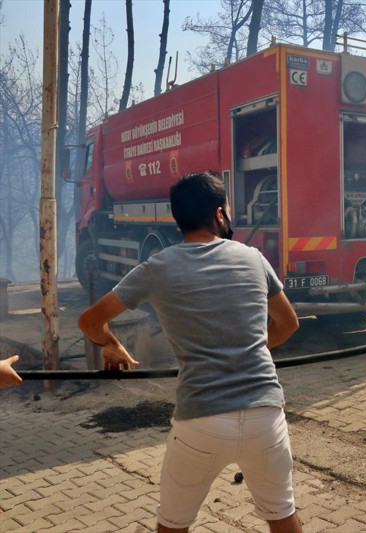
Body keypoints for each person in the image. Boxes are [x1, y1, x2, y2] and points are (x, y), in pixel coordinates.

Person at [78, 172, 303, 533]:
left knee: (173, 524)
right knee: (282, 516)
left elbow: (89, 321)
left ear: (177, 219)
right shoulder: (253, 258)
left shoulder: (156, 268)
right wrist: (248, 349)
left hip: (201, 420)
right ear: (219, 215)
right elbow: (288, 323)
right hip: (265, 415)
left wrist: (110, 344)